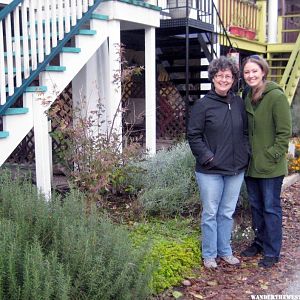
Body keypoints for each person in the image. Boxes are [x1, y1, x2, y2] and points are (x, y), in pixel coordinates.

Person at [187, 56, 250, 269]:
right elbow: (193, 135)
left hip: (235, 169)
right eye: (220, 75)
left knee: (226, 212)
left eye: (228, 76)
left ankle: (225, 251)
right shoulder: (202, 105)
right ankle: (209, 254)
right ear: (213, 77)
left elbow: (244, 132)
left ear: (233, 80)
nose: (224, 79)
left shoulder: (239, 103)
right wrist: (208, 157)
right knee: (211, 213)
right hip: (210, 171)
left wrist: (245, 154)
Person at [240, 56, 292, 268]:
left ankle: (272, 251)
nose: (250, 75)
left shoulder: (276, 97)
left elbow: (284, 133)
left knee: (270, 208)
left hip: (270, 166)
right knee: (256, 207)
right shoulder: (246, 95)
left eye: (254, 71)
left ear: (263, 72)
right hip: (251, 165)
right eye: (246, 72)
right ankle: (259, 243)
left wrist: (271, 155)